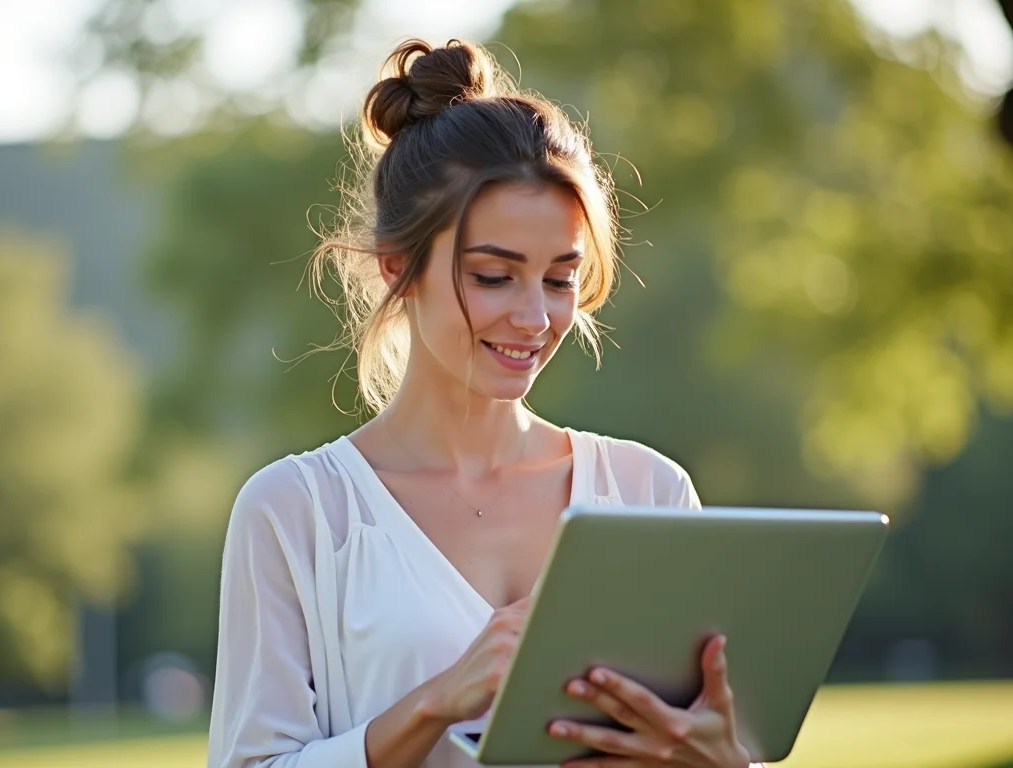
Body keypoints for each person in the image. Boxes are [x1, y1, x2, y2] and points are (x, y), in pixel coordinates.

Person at [207, 38, 760, 768]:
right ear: (398, 267)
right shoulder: (297, 513)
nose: (534, 319)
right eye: (494, 276)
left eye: (560, 280)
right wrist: (437, 700)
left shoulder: (652, 492)